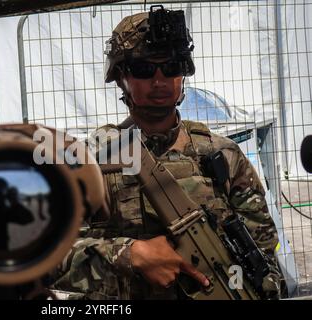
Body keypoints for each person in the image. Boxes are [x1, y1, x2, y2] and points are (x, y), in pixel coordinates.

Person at [50, 6, 282, 300]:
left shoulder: (223, 155)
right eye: (145, 69)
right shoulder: (90, 163)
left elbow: (264, 254)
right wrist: (129, 256)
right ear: (121, 77)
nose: (159, 81)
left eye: (171, 67)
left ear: (183, 73)